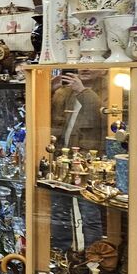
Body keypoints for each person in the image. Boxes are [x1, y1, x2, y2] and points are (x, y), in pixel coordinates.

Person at [50, 69, 105, 249]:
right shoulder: (65, 92)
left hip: (90, 161)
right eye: (82, 65)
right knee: (59, 211)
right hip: (63, 158)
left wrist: (83, 91)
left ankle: (94, 255)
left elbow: (103, 117)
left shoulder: (110, 89)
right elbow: (52, 119)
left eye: (91, 65)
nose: (86, 69)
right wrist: (50, 90)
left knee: (89, 212)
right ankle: (61, 252)